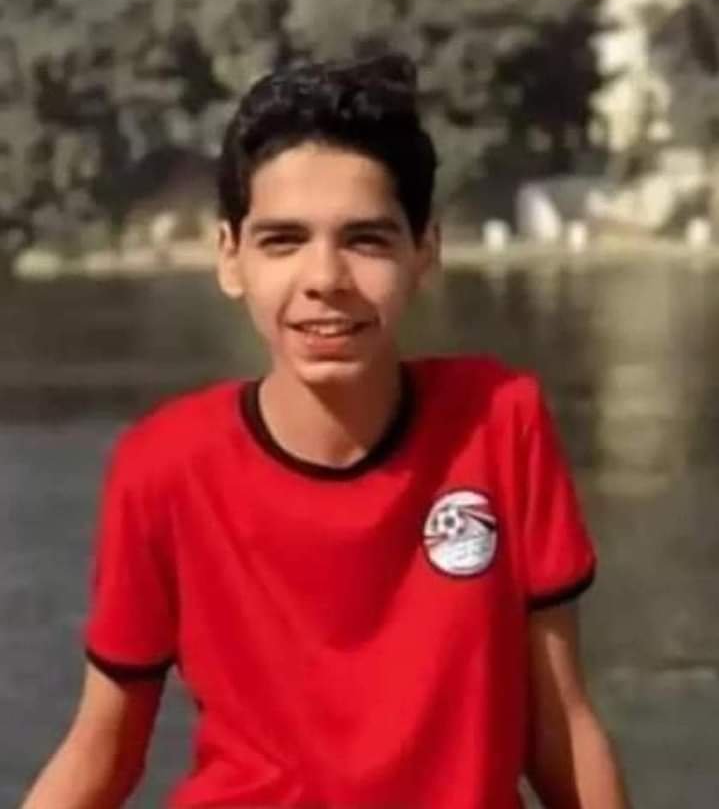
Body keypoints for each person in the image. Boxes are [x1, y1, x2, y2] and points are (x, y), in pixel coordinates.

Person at [21, 53, 631, 809]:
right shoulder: (162, 467)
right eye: (283, 240)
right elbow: (103, 750)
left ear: (425, 252)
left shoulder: (501, 421)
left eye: (366, 240)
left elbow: (561, 723)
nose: (325, 279)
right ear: (230, 258)